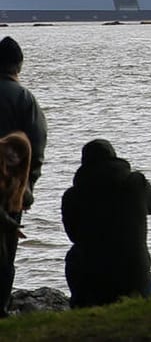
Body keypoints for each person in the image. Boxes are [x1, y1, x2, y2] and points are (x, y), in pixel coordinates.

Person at [60, 139, 151, 307]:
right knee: (150, 285)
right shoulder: (135, 183)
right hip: (134, 275)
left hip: (93, 277)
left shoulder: (71, 196)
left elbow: (73, 235)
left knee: (74, 255)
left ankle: (80, 304)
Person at [0, 37, 45, 317]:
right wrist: (27, 187)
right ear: (19, 66)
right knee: (5, 253)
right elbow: (36, 146)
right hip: (10, 189)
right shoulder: (25, 98)